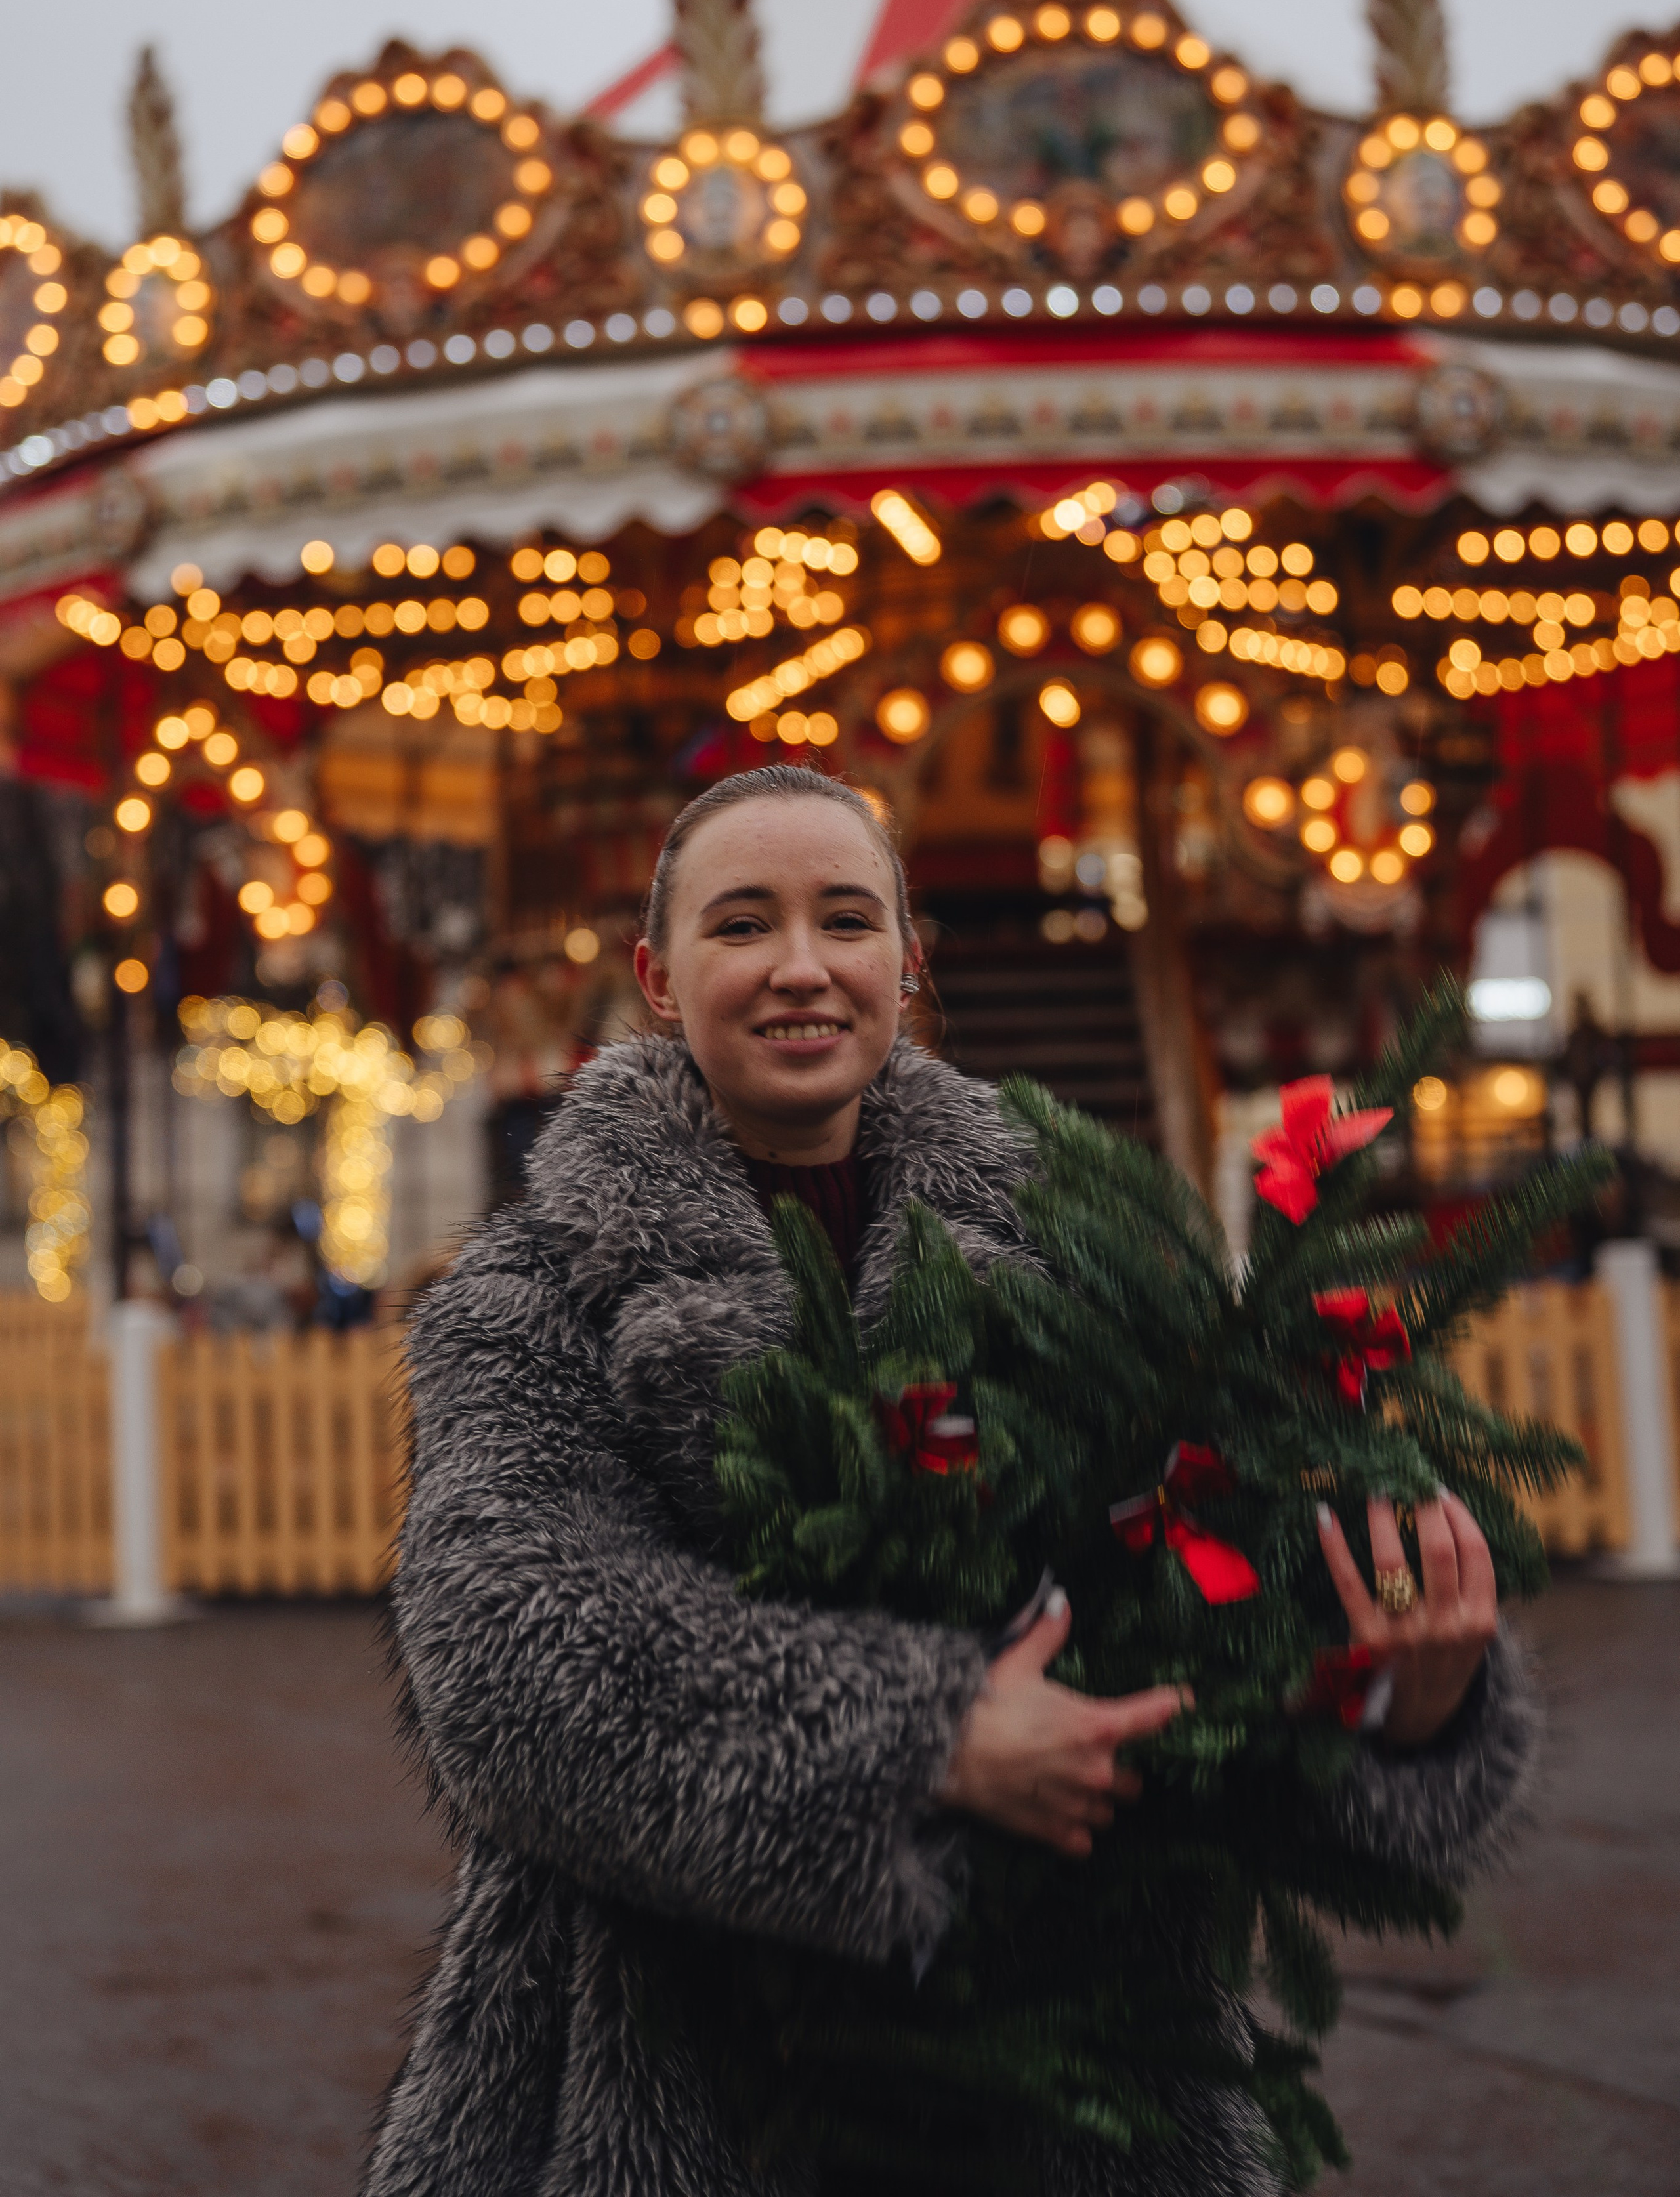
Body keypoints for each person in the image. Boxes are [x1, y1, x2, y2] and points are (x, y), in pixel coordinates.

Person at [364, 764, 1534, 2197]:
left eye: (844, 921)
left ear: (905, 963)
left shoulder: (1077, 1266)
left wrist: (1400, 1705)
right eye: (742, 925)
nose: (801, 967)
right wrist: (927, 1739)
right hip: (680, 2095)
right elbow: (515, 1662)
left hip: (1075, 2100)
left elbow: (1201, 1654)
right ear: (658, 977)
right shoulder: (526, 1299)